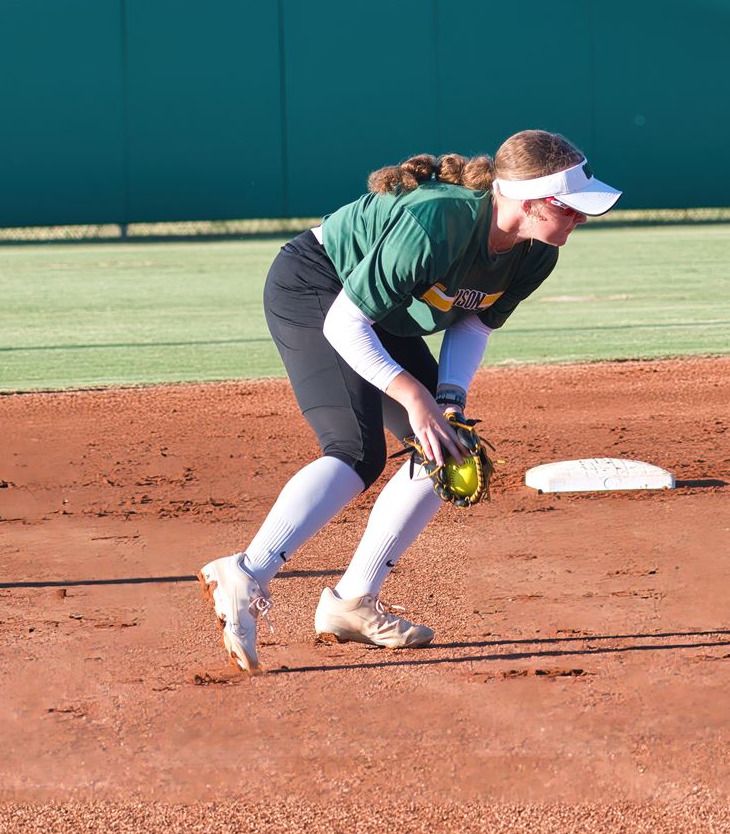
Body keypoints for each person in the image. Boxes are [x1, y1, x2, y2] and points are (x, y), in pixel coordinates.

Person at [198, 129, 623, 672]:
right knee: (355, 451)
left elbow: (474, 321)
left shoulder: (535, 253)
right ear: (529, 202)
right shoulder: (437, 223)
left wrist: (446, 401)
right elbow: (346, 321)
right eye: (571, 207)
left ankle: (352, 602)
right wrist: (412, 396)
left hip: (387, 311)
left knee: (448, 449)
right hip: (320, 287)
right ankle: (246, 572)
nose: (582, 219)